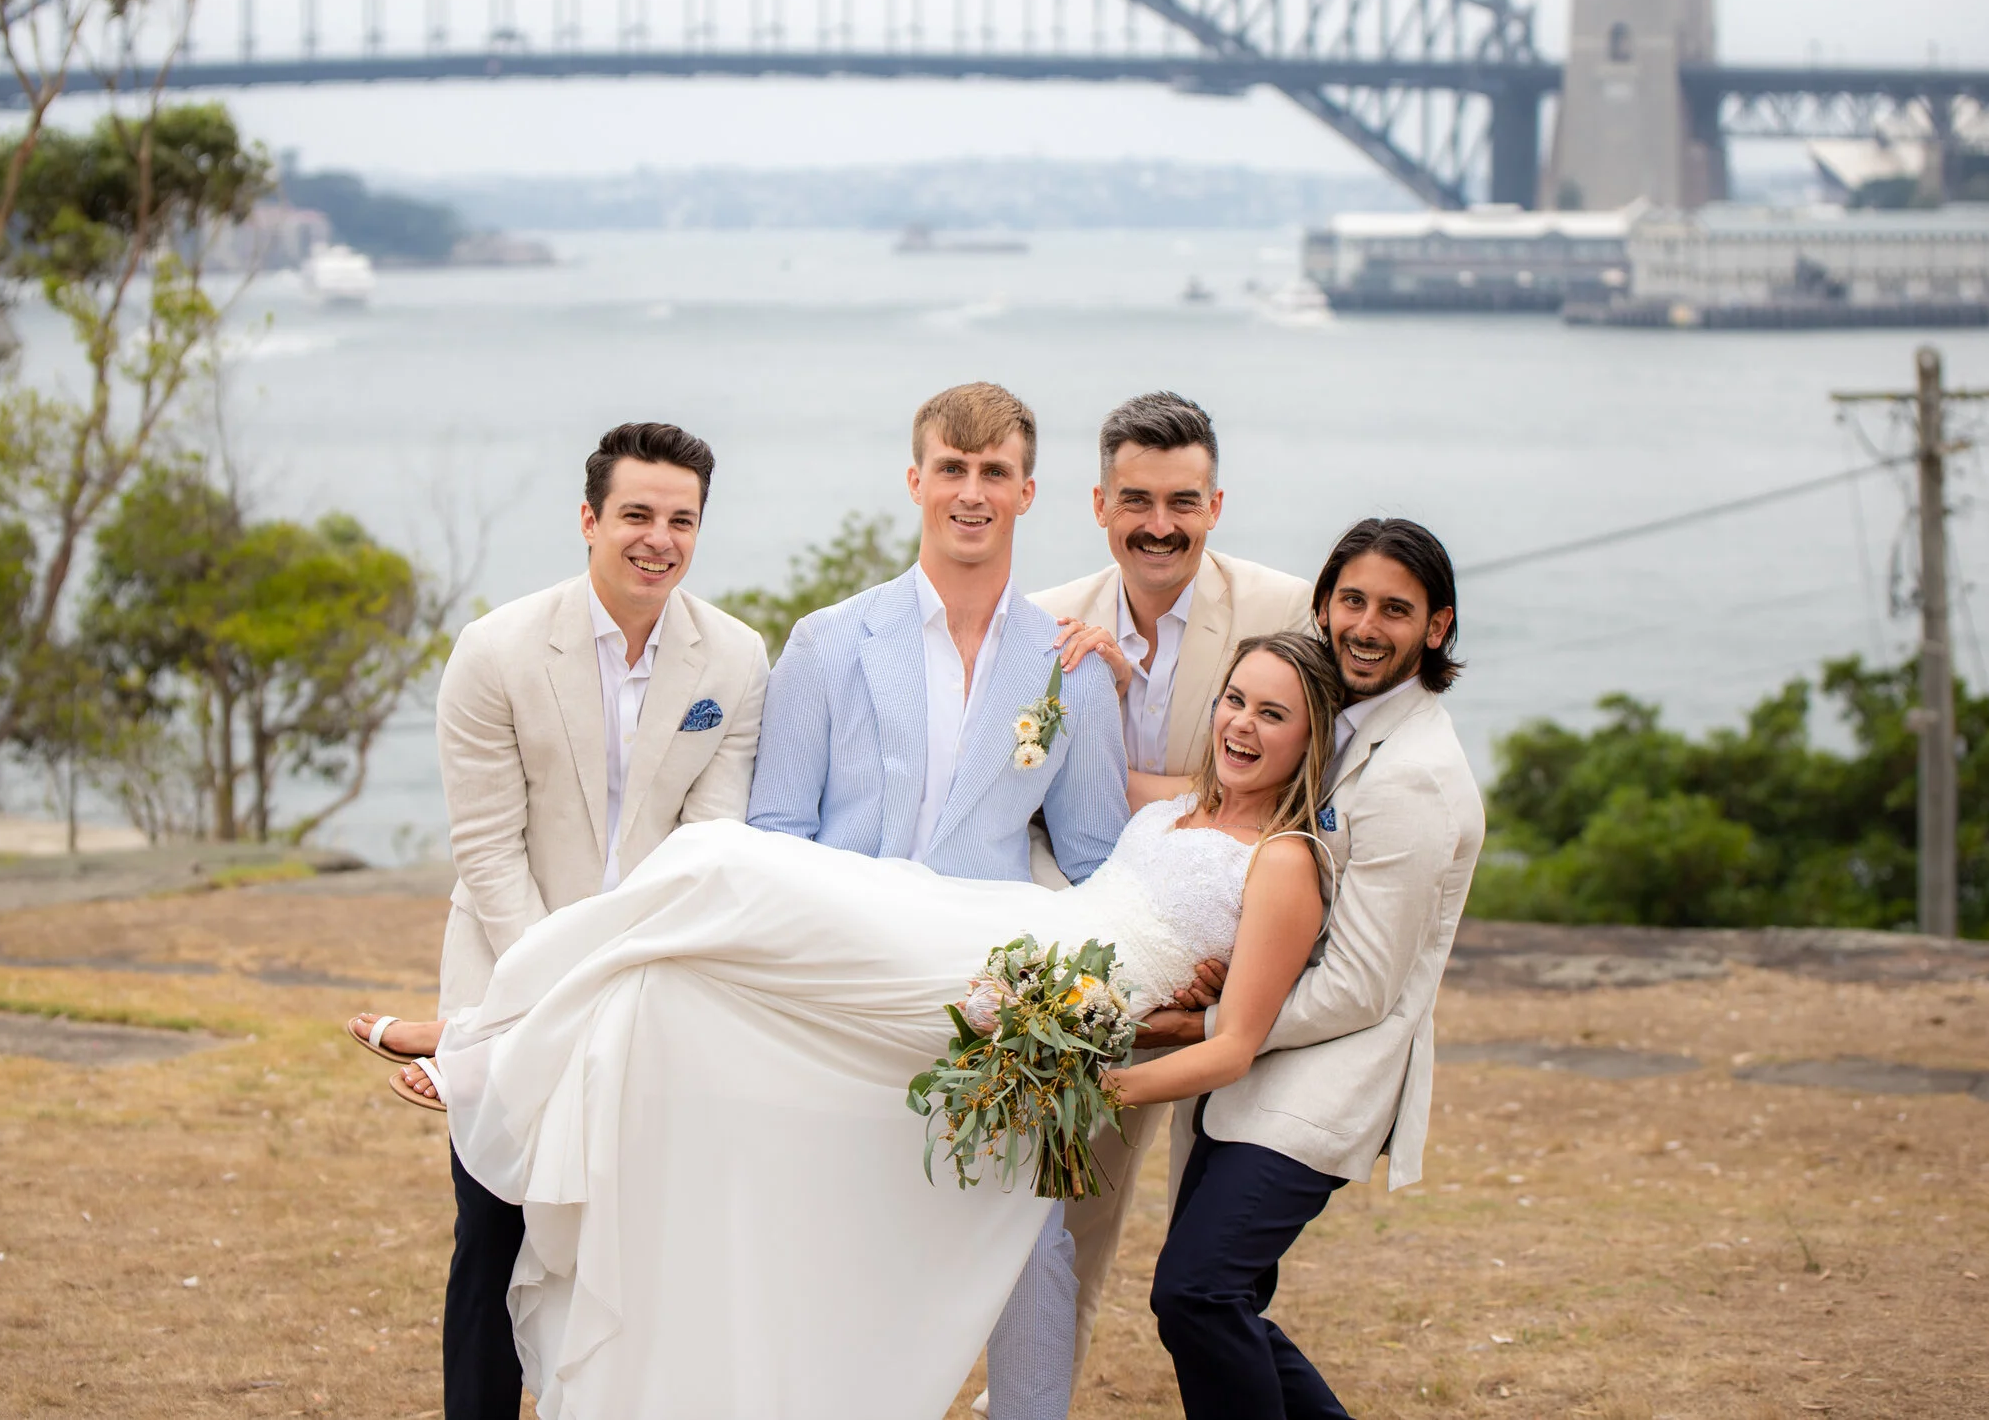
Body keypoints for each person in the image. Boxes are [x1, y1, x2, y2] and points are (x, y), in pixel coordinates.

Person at [362, 631, 1346, 1420]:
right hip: (1015, 932)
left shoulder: (1284, 861)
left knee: (722, 874)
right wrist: (1118, 677)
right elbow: (1060, 771)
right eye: (1234, 698)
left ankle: (487, 1032)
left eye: (1272, 713)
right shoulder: (1182, 803)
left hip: (1025, 997)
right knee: (697, 922)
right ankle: (493, 1030)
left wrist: (1094, 1078)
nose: (1242, 725)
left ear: (1312, 736)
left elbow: (1235, 1041)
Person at [351, 422, 769, 1420]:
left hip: (651, 988)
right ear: (589, 518)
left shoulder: (737, 656)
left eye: (680, 519)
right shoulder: (494, 650)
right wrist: (555, 993)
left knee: (636, 1248)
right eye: (635, 513)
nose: (656, 538)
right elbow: (488, 853)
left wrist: (623, 981)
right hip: (507, 983)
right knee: (491, 1242)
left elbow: (707, 846)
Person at [745, 381, 1129, 1420]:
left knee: (1031, 1250)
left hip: (994, 1005)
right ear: (915, 480)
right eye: (951, 469)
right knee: (835, 1246)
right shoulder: (828, 641)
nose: (971, 491)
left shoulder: (1069, 667)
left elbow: (1095, 858)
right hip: (842, 994)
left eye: (993, 471)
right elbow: (775, 831)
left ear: (1027, 491)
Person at [1143, 517, 1486, 1420]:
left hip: (1324, 1079)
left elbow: (1361, 986)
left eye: (1397, 609)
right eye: (1353, 599)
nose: (1367, 625)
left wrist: (1213, 1025)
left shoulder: (1413, 775)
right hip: (1252, 1070)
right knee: (1223, 1301)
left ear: (1438, 627)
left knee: (1199, 1293)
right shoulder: (1337, 724)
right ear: (1326, 603)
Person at [1026, 389, 1314, 1381]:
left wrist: (1241, 967)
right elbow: (1015, 798)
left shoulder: (1284, 611)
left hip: (1232, 972)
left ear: (1216, 503)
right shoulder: (1044, 623)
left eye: (1182, 500)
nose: (1159, 524)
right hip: (1084, 975)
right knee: (1062, 1221)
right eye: (1136, 499)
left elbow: (1327, 786)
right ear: (1099, 503)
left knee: (1211, 1265)